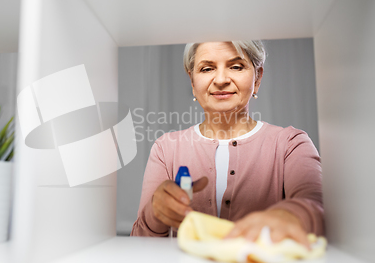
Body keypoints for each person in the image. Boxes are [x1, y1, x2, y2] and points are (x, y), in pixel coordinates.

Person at [130, 41, 324, 248]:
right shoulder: (165, 149)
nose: (221, 80)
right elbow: (140, 247)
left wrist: (290, 215)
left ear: (257, 78)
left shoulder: (291, 144)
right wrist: (156, 212)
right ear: (193, 82)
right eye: (207, 68)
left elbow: (317, 207)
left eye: (236, 66)